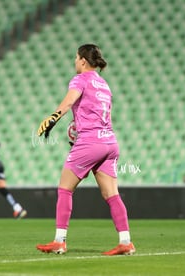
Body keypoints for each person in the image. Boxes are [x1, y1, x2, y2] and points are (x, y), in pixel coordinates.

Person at [36, 44, 135, 255]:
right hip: (110, 142)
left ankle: (59, 241)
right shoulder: (104, 85)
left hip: (90, 142)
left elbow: (70, 100)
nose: (74, 61)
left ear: (82, 60)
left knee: (65, 189)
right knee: (112, 194)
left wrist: (53, 118)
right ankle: (126, 241)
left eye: (75, 57)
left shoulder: (80, 79)